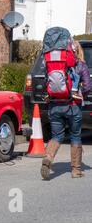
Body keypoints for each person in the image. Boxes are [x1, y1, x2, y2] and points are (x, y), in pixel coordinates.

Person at [41, 40, 91, 179]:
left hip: (55, 105)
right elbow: (87, 87)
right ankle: (76, 170)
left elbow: (46, 82)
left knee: (57, 136)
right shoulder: (81, 65)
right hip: (73, 106)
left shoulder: (53, 66)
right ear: (78, 51)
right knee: (75, 136)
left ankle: (48, 158)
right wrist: (81, 94)